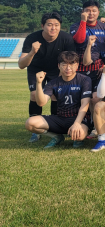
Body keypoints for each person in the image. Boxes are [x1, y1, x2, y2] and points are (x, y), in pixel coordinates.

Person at [19, 12, 75, 142]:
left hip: (56, 69)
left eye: (56, 25)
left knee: (56, 95)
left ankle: (54, 126)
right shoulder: (32, 38)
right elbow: (22, 65)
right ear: (43, 25)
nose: (53, 28)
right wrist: (32, 51)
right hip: (36, 69)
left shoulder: (66, 38)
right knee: (34, 95)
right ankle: (35, 131)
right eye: (49, 25)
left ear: (60, 26)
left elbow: (70, 60)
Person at [24, 51, 92, 149]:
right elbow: (41, 102)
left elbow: (85, 103)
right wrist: (39, 83)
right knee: (30, 123)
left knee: (80, 135)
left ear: (77, 65)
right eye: (64, 65)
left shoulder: (85, 80)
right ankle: (56, 136)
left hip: (78, 118)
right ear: (59, 66)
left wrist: (77, 123)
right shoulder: (53, 83)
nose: (68, 68)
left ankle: (77, 137)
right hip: (60, 118)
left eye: (71, 64)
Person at [70, 0, 105, 93]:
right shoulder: (75, 26)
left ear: (98, 12)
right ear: (83, 12)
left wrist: (104, 65)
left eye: (94, 11)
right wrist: (83, 21)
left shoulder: (104, 27)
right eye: (87, 11)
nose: (91, 13)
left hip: (97, 69)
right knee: (79, 98)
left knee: (95, 98)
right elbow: (79, 40)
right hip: (79, 69)